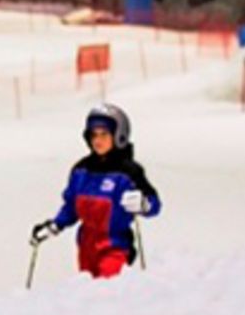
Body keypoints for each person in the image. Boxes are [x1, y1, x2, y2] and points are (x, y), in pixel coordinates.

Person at [30, 103, 160, 279]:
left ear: (119, 135)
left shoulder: (128, 172)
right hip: (86, 247)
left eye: (104, 134)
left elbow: (155, 204)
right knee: (89, 296)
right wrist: (55, 225)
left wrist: (144, 204)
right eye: (93, 135)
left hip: (115, 247)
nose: (97, 140)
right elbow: (71, 207)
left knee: (108, 294)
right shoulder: (81, 170)